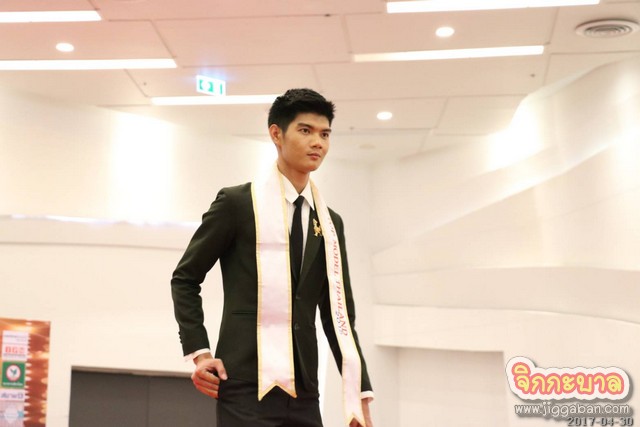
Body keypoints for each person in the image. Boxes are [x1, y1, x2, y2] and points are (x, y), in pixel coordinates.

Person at [171, 88, 374, 427]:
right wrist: (200, 352)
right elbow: (185, 278)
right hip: (244, 383)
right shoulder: (237, 204)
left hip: (305, 389)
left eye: (325, 134)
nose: (318, 143)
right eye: (305, 131)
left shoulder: (329, 222)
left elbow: (338, 316)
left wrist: (359, 393)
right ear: (276, 134)